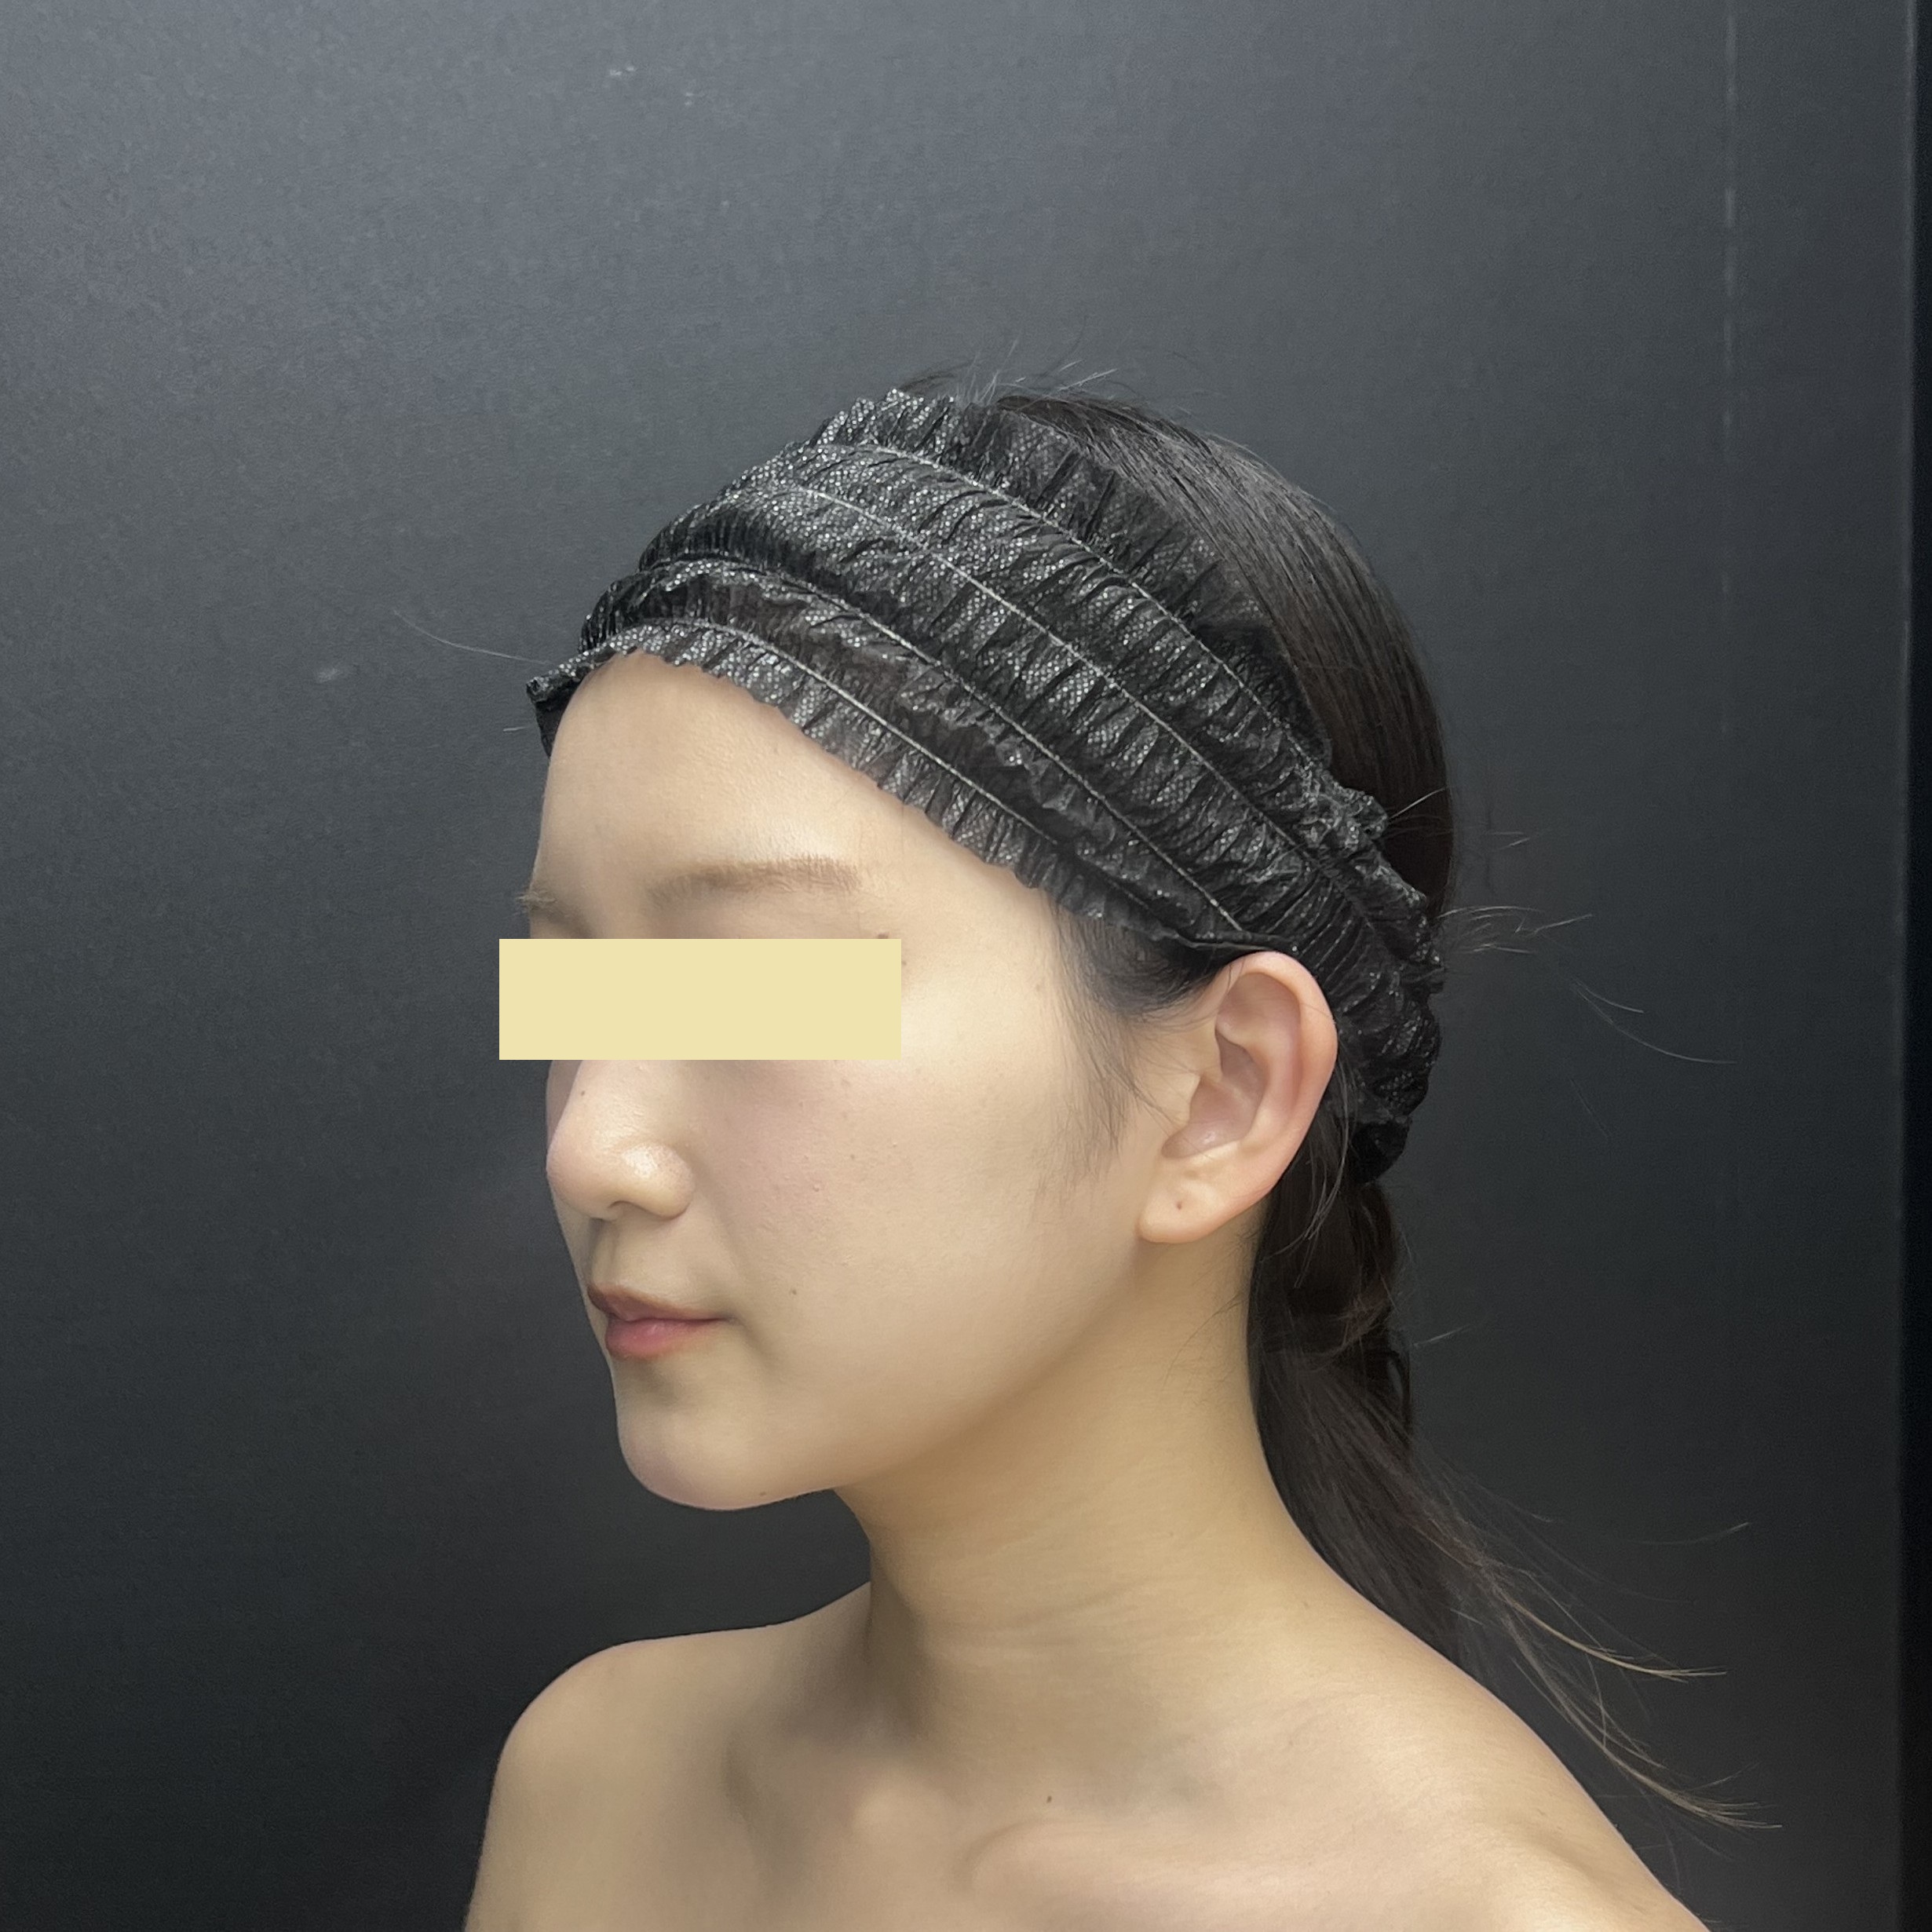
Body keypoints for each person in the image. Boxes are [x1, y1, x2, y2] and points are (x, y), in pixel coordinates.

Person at [463, 378, 1717, 1930]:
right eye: (571, 989)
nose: (591, 1149)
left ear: (1221, 1093)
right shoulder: (602, 1783)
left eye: (745, 988)